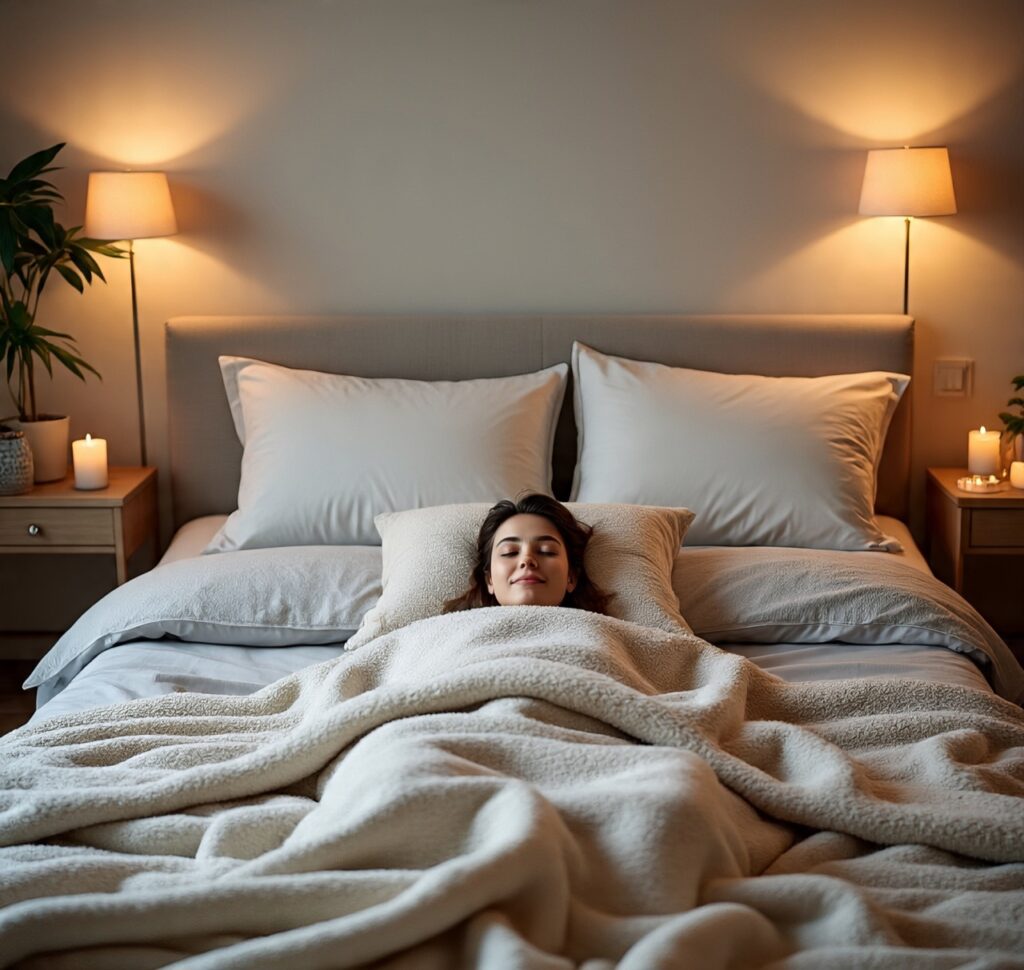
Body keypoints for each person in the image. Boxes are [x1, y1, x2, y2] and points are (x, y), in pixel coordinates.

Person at [443, 494, 611, 614]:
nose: (527, 560)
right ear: (489, 579)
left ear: (571, 577)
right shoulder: (447, 632)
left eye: (546, 551)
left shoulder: (607, 635)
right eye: (510, 552)